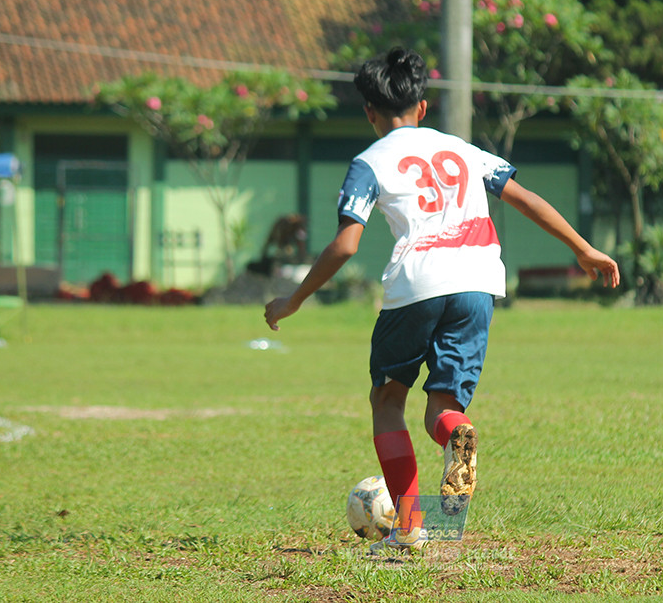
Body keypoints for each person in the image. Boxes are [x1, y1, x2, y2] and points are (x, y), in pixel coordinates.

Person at [264, 47, 619, 551]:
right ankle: (456, 432)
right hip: (478, 282)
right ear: (423, 107)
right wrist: (583, 248)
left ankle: (410, 527)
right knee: (444, 407)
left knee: (388, 400)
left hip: (416, 285)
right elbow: (525, 198)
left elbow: (346, 244)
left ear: (369, 112)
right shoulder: (462, 150)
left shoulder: (369, 162)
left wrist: (294, 300)